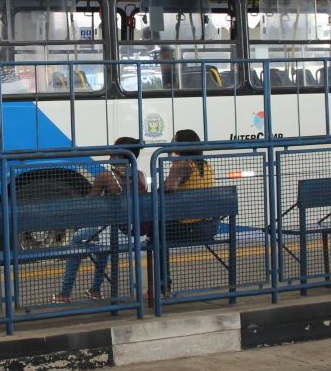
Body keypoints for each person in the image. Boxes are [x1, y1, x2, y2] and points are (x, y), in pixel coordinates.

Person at [53, 137, 149, 304]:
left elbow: (89, 204)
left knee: (78, 238)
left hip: (117, 233)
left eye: (112, 152)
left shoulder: (106, 176)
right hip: (138, 235)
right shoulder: (141, 176)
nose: (110, 155)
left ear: (119, 155)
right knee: (102, 240)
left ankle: (65, 293)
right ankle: (95, 289)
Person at [157, 128, 216, 295]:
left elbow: (168, 188)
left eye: (174, 140)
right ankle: (161, 286)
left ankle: (163, 286)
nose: (171, 143)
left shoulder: (183, 164)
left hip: (190, 228)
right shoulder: (205, 165)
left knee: (157, 234)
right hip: (210, 227)